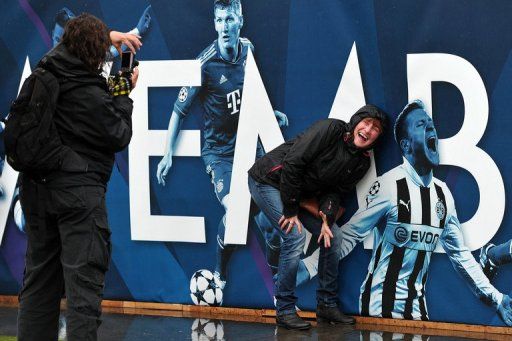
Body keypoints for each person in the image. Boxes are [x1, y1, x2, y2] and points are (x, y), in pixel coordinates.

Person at [16, 14, 141, 341]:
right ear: (96, 53)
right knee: (83, 293)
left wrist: (106, 35)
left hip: (36, 193)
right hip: (77, 198)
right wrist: (125, 92)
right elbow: (118, 134)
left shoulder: (48, 70)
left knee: (38, 289)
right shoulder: (88, 90)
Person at [335, 100, 512, 325]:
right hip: (380, 308)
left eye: (431, 124)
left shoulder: (443, 194)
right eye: (421, 125)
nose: (431, 129)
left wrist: (497, 299)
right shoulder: (389, 185)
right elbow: (349, 236)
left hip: (418, 311)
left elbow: (461, 256)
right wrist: (307, 268)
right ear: (406, 145)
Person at [155, 0, 287, 289]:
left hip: (252, 148)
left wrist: (269, 112)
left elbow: (251, 92)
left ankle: (280, 286)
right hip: (221, 155)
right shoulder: (205, 63)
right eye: (219, 20)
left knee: (272, 227)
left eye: (229, 19)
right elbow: (178, 111)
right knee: (237, 212)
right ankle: (219, 275)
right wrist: (167, 153)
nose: (224, 27)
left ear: (241, 20)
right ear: (214, 23)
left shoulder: (248, 49)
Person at [248, 105, 387, 329]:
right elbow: (293, 162)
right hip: (269, 180)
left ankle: (326, 305)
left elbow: (334, 193)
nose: (368, 130)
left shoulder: (361, 162)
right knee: (294, 236)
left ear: (377, 137)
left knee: (335, 236)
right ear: (356, 122)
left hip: (299, 195)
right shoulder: (331, 129)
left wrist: (327, 219)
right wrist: (291, 210)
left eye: (376, 128)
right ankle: (284, 309)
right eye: (366, 123)